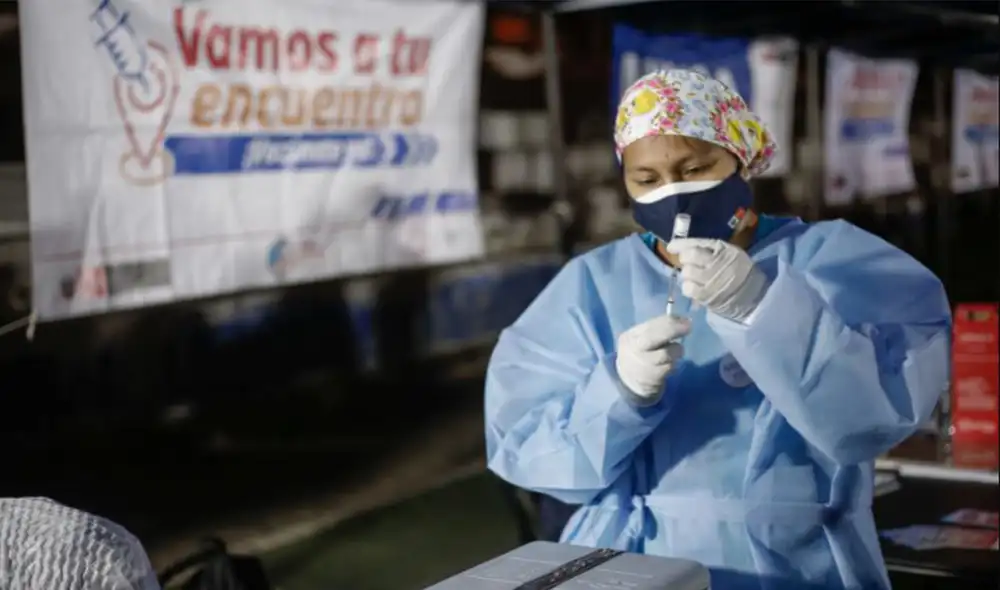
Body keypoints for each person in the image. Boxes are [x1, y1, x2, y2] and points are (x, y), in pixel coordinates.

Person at [484, 69, 950, 590]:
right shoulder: (591, 285)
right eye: (647, 180)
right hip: (635, 561)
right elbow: (531, 453)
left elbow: (876, 417)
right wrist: (618, 393)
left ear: (740, 158)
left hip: (800, 567)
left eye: (694, 168)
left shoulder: (836, 262)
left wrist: (763, 308)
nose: (673, 194)